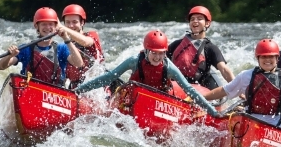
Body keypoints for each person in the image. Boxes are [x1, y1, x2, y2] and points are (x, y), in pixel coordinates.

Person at [75, 30, 219, 117]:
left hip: (161, 99)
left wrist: (213, 112)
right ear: (146, 50)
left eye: (161, 54)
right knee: (114, 81)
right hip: (136, 99)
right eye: (153, 53)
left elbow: (189, 90)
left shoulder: (169, 68)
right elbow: (108, 77)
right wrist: (79, 90)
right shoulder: (134, 61)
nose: (157, 57)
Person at [203, 39, 281, 128]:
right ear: (258, 58)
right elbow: (224, 90)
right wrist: (202, 98)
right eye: (263, 57)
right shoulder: (246, 75)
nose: (267, 60)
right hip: (250, 122)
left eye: (271, 57)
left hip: (276, 125)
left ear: (277, 58)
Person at [0, 7, 83, 86]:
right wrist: (9, 56)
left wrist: (66, 38)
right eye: (44, 24)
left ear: (55, 27)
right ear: (36, 26)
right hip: (30, 90)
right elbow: (1, 66)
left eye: (50, 24)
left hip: (55, 93)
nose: (47, 27)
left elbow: (79, 64)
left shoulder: (62, 48)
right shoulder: (26, 48)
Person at [167, 6, 235, 89]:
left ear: (207, 23)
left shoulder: (210, 48)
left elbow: (224, 69)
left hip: (197, 89)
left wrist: (238, 89)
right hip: (175, 86)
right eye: (192, 19)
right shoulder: (177, 44)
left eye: (199, 19)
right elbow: (159, 59)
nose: (195, 21)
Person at [61, 4, 105, 89]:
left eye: (74, 22)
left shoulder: (92, 35)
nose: (70, 26)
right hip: (75, 89)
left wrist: (64, 29)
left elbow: (85, 42)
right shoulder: (64, 46)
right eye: (67, 22)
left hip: (96, 88)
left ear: (82, 22)